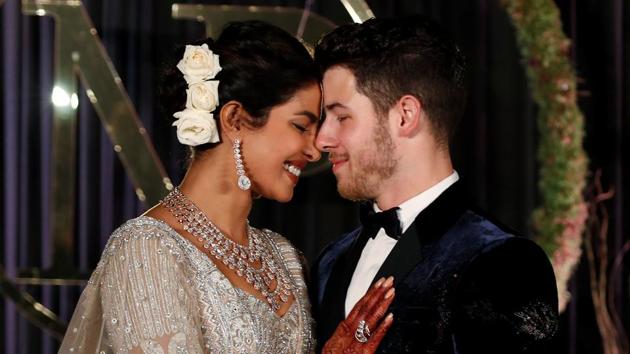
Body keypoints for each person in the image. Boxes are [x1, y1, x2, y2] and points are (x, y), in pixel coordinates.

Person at [59, 21, 394, 354]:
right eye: (300, 125)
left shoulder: (285, 257)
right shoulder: (145, 250)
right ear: (234, 119)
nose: (315, 148)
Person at [311, 16, 559, 353]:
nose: (322, 139)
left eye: (341, 117)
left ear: (405, 115)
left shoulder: (504, 264)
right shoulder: (330, 260)